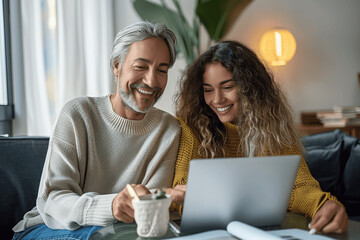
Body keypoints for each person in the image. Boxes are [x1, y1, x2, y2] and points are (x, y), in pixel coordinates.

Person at [12, 22, 180, 240]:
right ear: (116, 66)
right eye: (140, 66)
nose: (151, 80)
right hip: (50, 227)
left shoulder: (169, 129)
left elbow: (148, 211)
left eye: (162, 70)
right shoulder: (78, 114)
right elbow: (52, 200)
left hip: (121, 233)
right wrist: (111, 205)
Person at [167, 40, 348, 234]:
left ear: (249, 87)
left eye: (227, 87)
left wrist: (322, 204)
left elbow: (298, 186)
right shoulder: (192, 128)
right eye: (208, 90)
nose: (217, 99)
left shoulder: (272, 127)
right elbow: (181, 187)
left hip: (266, 232)